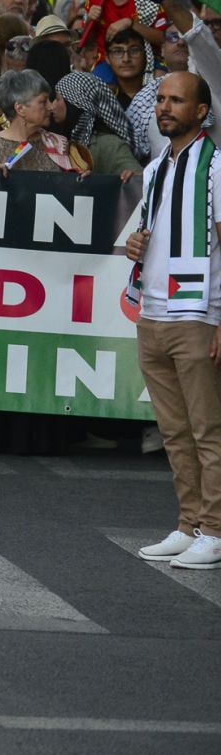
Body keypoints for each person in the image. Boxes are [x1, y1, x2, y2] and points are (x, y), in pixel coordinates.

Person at [122, 71, 221, 570]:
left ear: (201, 111)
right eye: (161, 99)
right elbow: (145, 231)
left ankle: (216, 530)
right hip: (154, 311)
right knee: (174, 430)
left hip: (200, 313)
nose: (164, 107)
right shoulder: (156, 165)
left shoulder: (217, 166)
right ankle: (190, 524)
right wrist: (137, 244)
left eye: (176, 100)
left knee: (208, 429)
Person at [0, 70, 88, 174]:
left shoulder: (59, 144)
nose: (50, 107)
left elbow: (73, 189)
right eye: (43, 101)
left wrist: (82, 179)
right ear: (20, 109)